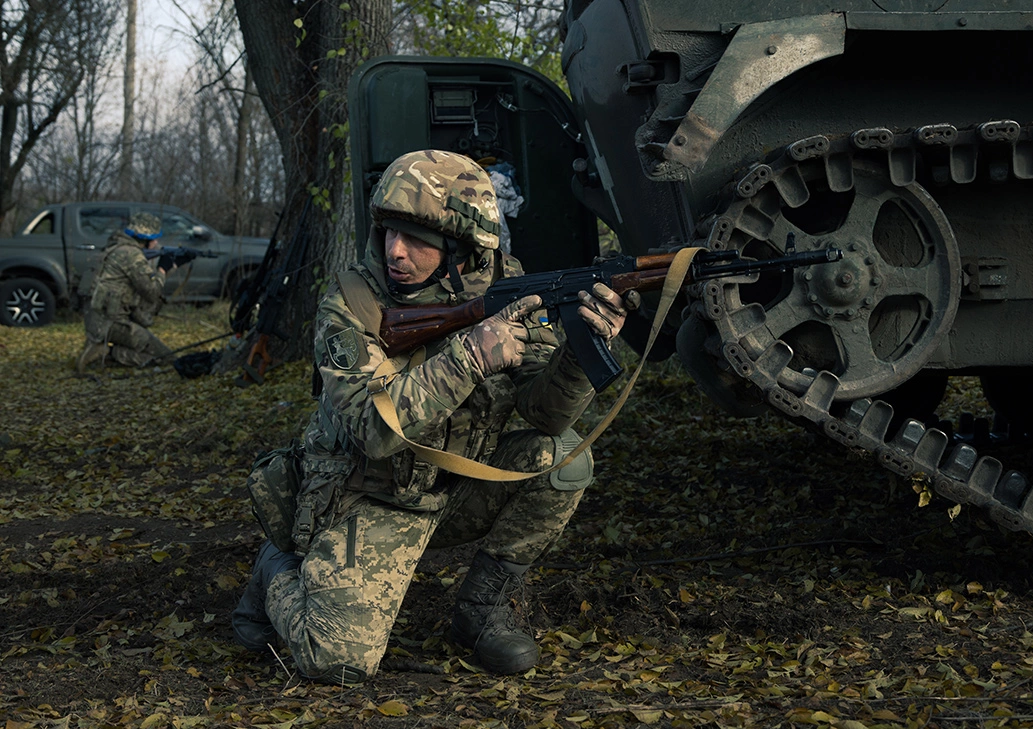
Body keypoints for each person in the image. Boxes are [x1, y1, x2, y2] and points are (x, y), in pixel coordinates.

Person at [231, 149, 635, 683]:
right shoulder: (351, 302)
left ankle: (481, 612)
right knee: (335, 660)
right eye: (389, 233)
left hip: (457, 486)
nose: (396, 252)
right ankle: (275, 569)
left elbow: (545, 414)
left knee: (563, 460)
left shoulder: (505, 285)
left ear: (462, 247)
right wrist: (470, 357)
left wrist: (582, 353)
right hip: (369, 495)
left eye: (417, 239)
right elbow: (373, 431)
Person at [76, 212, 175, 372]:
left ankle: (100, 348)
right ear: (145, 238)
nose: (157, 243)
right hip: (112, 324)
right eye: (154, 239)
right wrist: (163, 271)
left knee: (150, 348)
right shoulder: (132, 255)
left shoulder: (114, 247)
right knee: (166, 357)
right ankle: (109, 353)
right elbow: (151, 292)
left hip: (95, 321)